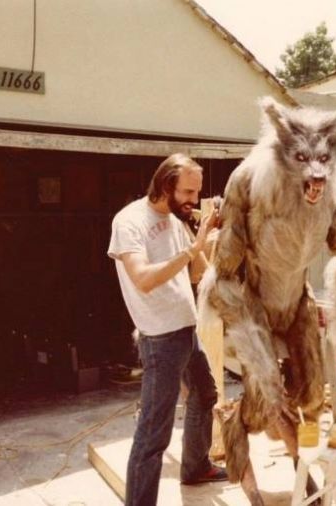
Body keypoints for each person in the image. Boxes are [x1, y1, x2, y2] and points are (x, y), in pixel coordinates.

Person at [107, 153, 227, 506]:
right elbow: (143, 279)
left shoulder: (176, 219)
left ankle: (195, 467)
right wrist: (193, 249)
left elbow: (197, 273)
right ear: (164, 186)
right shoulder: (129, 221)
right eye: (188, 192)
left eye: (197, 192)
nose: (193, 200)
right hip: (160, 338)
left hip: (186, 329)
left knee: (205, 395)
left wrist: (211, 242)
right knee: (154, 433)